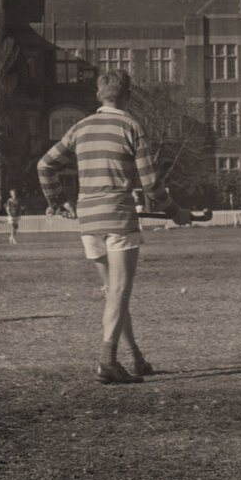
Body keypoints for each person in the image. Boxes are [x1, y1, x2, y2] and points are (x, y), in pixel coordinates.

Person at [38, 69, 188, 385]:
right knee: (119, 291)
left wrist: (57, 199)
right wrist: (175, 211)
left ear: (98, 95)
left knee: (113, 294)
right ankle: (107, 361)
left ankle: (134, 358)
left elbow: (45, 165)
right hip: (118, 219)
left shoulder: (79, 127)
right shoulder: (131, 125)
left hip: (89, 221)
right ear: (128, 95)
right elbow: (150, 184)